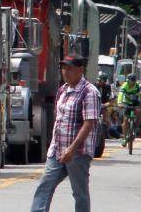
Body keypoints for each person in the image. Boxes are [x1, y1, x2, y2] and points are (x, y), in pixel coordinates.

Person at [31, 54, 100, 212]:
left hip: (78, 153)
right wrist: (53, 145)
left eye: (70, 68)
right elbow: (59, 120)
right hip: (57, 151)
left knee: (79, 193)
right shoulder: (63, 90)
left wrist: (72, 149)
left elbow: (89, 123)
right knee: (44, 186)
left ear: (80, 70)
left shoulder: (89, 92)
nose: (65, 72)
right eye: (63, 68)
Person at [116, 74, 141, 145]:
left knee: (139, 110)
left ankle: (137, 127)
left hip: (135, 102)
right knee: (125, 120)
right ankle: (124, 138)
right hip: (126, 103)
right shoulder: (124, 85)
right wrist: (119, 103)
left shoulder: (137, 86)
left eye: (133, 82)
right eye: (130, 82)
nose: (132, 84)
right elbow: (121, 94)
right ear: (127, 81)